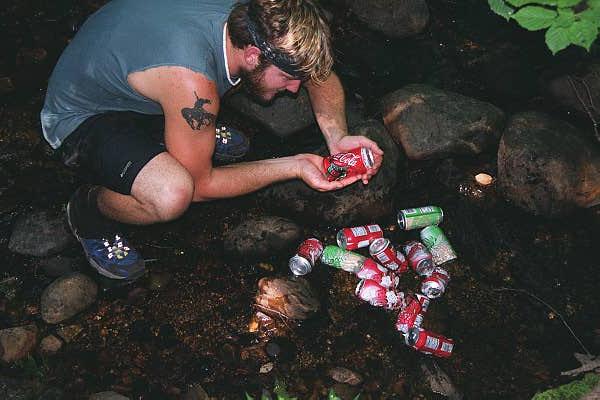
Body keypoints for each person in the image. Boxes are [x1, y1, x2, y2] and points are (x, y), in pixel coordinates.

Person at [40, 0, 384, 280]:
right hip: (81, 115)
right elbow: (200, 186)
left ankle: (190, 134)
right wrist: (295, 165)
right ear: (253, 54)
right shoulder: (193, 82)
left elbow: (316, 74)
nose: (295, 89)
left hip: (131, 68)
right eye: (287, 78)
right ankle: (88, 209)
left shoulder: (258, 18)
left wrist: (338, 136)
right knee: (173, 193)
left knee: (206, 107)